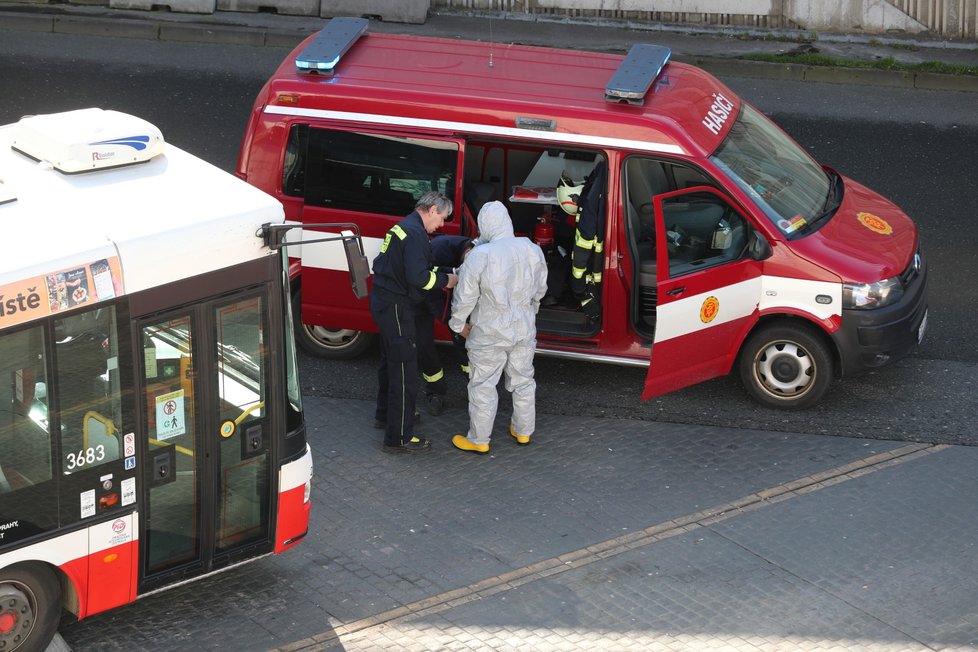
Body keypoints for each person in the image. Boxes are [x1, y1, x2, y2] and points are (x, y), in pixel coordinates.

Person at [448, 201, 548, 455]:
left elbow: (465, 296)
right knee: (523, 381)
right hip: (524, 327)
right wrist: (530, 313)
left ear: (484, 225)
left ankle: (479, 439)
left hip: (489, 330)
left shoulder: (481, 255)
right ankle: (523, 431)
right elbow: (540, 289)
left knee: (482, 384)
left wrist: (457, 324)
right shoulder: (532, 249)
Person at [370, 191, 457, 454]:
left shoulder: (402, 227)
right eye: (442, 218)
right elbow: (419, 278)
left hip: (384, 302)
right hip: (398, 307)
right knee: (405, 372)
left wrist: (438, 273)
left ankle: (385, 415)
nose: (441, 225)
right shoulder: (417, 235)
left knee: (389, 362)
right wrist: (446, 281)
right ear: (431, 210)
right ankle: (399, 438)